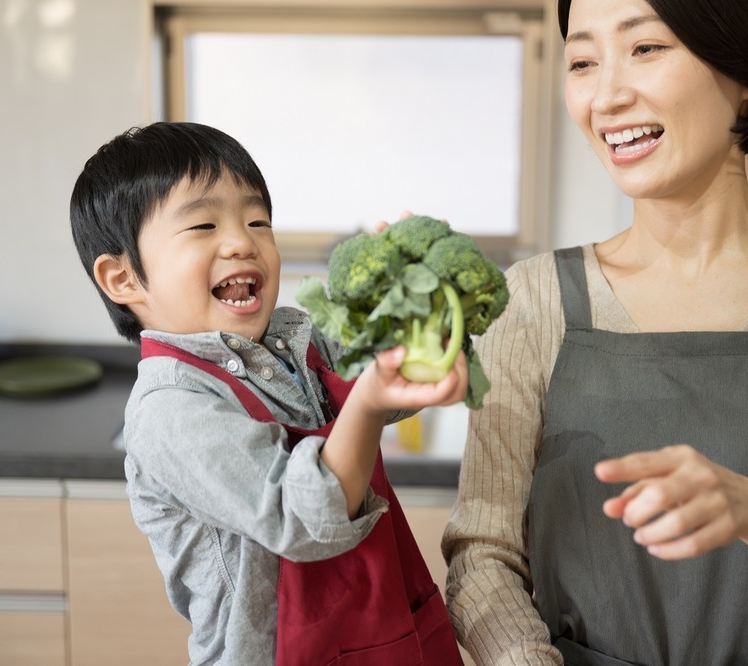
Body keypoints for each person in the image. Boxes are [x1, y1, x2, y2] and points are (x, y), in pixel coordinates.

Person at [442, 0, 748, 664]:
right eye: (582, 61)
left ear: (746, 68)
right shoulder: (528, 300)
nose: (607, 96)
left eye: (645, 49)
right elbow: (482, 557)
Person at [69, 121, 467, 666]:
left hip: (389, 642)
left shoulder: (292, 339)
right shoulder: (171, 409)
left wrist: (424, 296)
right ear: (123, 279)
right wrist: (369, 403)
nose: (242, 241)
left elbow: (390, 374)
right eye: (204, 224)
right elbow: (303, 518)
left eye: (258, 219)